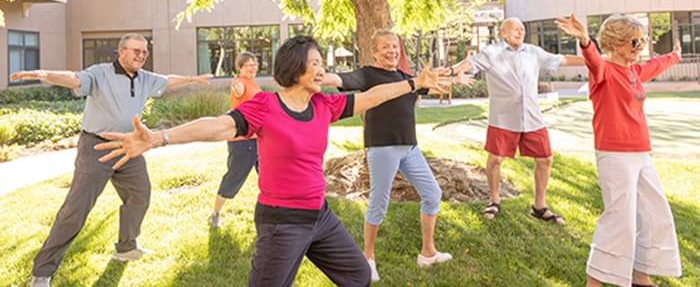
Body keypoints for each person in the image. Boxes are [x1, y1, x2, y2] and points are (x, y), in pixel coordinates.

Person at [95, 35, 446, 286]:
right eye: (316, 64)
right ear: (295, 69)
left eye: (323, 64)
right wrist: (158, 137)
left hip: (320, 217)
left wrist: (412, 83)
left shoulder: (324, 105)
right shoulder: (266, 107)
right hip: (281, 223)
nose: (323, 71)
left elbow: (370, 97)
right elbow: (219, 127)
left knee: (357, 275)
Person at [10, 33, 213, 287]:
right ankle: (42, 273)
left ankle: (126, 247)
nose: (141, 55)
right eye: (136, 51)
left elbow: (166, 80)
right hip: (96, 146)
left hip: (129, 146)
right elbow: (74, 78)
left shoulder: (144, 78)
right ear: (121, 52)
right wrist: (43, 73)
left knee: (140, 195)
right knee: (76, 210)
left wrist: (191, 79)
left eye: (144, 52)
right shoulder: (100, 73)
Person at [556, 13, 683, 287]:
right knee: (619, 219)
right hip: (614, 154)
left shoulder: (634, 71)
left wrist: (675, 55)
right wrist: (584, 39)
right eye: (634, 42)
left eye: (642, 42)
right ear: (615, 43)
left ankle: (641, 275)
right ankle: (595, 281)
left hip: (641, 153)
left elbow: (655, 65)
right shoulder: (603, 70)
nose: (640, 48)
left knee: (655, 212)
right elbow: (592, 59)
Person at [323, 29, 453, 282]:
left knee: (433, 194)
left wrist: (451, 78)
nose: (391, 50)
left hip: (410, 148)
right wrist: (318, 75)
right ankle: (368, 258)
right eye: (385, 47)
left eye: (395, 46)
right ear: (374, 52)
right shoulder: (369, 74)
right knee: (379, 203)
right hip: (382, 147)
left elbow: (430, 86)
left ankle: (427, 253)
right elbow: (341, 79)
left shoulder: (405, 77)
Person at [445, 17, 584, 224]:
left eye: (522, 29)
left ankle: (539, 206)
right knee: (495, 160)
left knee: (545, 159)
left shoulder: (534, 52)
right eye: (515, 29)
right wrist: (450, 72)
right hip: (503, 118)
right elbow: (469, 63)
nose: (520, 32)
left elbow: (561, 59)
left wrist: (594, 58)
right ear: (503, 32)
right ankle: (494, 200)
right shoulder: (492, 53)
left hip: (532, 118)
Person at [208, 51, 261, 228]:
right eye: (248, 65)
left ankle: (278, 211)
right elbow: (239, 91)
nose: (253, 67)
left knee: (270, 174)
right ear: (240, 68)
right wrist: (236, 86)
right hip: (242, 141)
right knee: (234, 177)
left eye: (255, 64)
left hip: (258, 139)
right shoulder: (241, 83)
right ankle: (215, 213)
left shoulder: (252, 83)